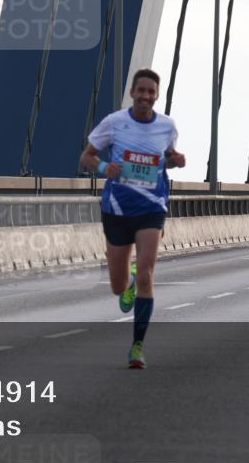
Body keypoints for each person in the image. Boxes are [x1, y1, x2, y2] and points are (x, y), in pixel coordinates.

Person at [79, 68, 185, 368]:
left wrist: (176, 161)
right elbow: (87, 156)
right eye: (141, 91)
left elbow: (166, 159)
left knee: (148, 272)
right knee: (117, 285)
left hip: (152, 206)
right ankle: (128, 283)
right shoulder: (114, 123)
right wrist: (103, 168)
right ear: (132, 93)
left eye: (151, 92)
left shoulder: (167, 126)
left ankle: (137, 346)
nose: (145, 97)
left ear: (157, 95)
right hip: (117, 207)